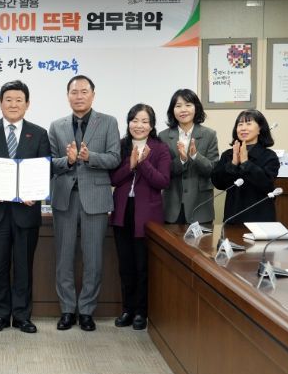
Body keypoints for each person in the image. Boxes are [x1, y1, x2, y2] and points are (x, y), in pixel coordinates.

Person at [0, 80, 50, 334]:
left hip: (26, 213)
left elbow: (44, 169)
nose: (13, 104)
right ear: (0, 103)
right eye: (8, 99)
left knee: (23, 268)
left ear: (27, 104)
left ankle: (21, 316)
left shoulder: (39, 133)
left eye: (19, 100)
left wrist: (36, 193)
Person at [48, 75, 120, 332]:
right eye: (74, 92)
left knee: (93, 258)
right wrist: (67, 161)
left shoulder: (108, 122)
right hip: (65, 198)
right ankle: (67, 310)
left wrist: (91, 157)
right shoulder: (56, 126)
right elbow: (50, 163)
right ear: (68, 96)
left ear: (93, 94)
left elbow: (114, 158)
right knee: (64, 257)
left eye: (84, 91)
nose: (79, 96)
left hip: (96, 198)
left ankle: (87, 310)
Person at [110, 104, 170, 330]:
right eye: (134, 120)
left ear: (152, 125)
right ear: (128, 123)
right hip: (123, 212)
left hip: (147, 215)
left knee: (142, 266)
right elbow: (113, 178)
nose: (139, 125)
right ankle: (127, 309)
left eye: (144, 121)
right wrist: (131, 164)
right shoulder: (121, 146)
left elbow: (162, 181)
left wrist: (143, 164)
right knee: (125, 265)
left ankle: (141, 312)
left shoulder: (160, 149)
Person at [159, 89, 219, 224]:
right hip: (172, 206)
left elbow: (213, 170)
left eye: (188, 105)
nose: (183, 110)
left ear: (196, 108)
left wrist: (195, 156)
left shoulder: (209, 135)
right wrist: (182, 160)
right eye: (178, 106)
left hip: (200, 206)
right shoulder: (163, 136)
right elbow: (164, 171)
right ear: (172, 110)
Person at [211, 109, 280, 224]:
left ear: (260, 129)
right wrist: (233, 163)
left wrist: (245, 163)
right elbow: (218, 183)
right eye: (240, 124)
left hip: (260, 218)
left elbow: (266, 183)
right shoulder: (228, 154)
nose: (243, 128)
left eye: (248, 124)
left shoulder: (269, 156)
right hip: (233, 217)